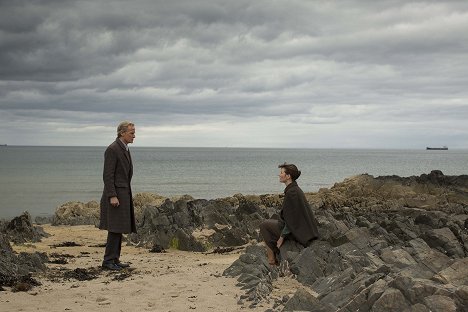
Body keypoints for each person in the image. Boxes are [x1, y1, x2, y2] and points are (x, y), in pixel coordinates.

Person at [259, 163, 319, 265]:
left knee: (264, 225)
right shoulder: (294, 189)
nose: (279, 175)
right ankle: (275, 255)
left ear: (288, 176)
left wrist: (281, 238)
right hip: (301, 229)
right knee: (273, 220)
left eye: (281, 173)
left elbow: (292, 220)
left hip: (298, 232)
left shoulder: (292, 193)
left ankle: (272, 260)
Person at [99, 121, 137, 270]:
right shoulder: (112, 149)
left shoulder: (125, 149)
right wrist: (112, 195)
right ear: (122, 133)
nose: (134, 135)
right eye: (131, 133)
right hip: (115, 196)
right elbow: (108, 176)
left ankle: (115, 259)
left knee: (119, 228)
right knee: (114, 228)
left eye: (134, 132)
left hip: (123, 194)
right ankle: (108, 261)